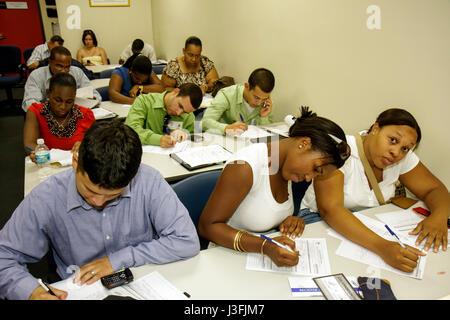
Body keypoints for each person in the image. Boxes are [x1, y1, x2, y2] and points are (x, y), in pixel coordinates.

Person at [0, 120, 200, 300]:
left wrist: (117, 260)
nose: (97, 202)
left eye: (113, 195)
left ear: (133, 176)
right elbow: (4, 255)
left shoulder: (149, 181)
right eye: (89, 190)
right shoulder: (47, 196)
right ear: (76, 162)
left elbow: (185, 240)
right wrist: (31, 292)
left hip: (142, 281)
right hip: (81, 289)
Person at [300, 108, 449, 273]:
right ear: (375, 129)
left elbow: (434, 188)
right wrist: (383, 248)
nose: (396, 152)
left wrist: (439, 218)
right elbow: (330, 209)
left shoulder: (401, 158)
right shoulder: (342, 151)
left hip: (365, 228)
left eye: (405, 148)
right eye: (392, 140)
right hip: (316, 223)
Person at [198, 107, 350, 267]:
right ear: (304, 144)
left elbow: (260, 208)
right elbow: (208, 227)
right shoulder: (245, 166)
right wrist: (264, 246)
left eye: (317, 175)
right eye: (315, 169)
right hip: (227, 258)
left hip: (258, 257)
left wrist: (287, 221)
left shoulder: (286, 165)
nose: (308, 178)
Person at [23, 73, 95, 162]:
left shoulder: (85, 115)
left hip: (76, 167)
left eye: (69, 101)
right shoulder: (36, 112)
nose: (63, 107)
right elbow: (29, 144)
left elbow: (95, 144)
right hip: (45, 166)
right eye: (58, 100)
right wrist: (39, 153)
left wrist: (84, 146)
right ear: (48, 94)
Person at [22, 46, 102, 112]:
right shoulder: (37, 75)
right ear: (49, 62)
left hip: (74, 115)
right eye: (59, 66)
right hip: (47, 117)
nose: (64, 71)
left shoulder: (76, 72)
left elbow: (96, 95)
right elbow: (29, 103)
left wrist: (92, 99)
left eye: (67, 67)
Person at [125, 83, 202, 148]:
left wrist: (185, 134)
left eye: (184, 112)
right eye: (180, 106)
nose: (178, 113)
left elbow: (197, 136)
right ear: (176, 92)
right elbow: (131, 130)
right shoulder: (144, 101)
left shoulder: (188, 114)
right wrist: (159, 139)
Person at [201, 68, 274, 135]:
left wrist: (263, 117)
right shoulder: (227, 94)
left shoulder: (266, 104)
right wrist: (226, 128)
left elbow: (266, 134)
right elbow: (205, 122)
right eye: (256, 97)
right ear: (247, 86)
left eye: (264, 98)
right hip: (223, 143)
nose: (259, 103)